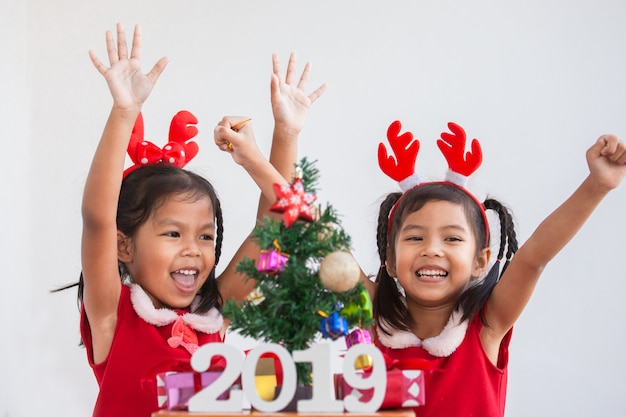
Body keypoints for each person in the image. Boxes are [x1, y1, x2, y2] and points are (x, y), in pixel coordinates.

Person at [230, 118, 625, 416]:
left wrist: (598, 184)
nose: (432, 250)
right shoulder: (373, 316)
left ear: (480, 262)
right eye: (415, 238)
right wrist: (253, 162)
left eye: (452, 239)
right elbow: (313, 224)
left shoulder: (487, 327)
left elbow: (535, 256)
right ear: (389, 259)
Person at [78, 22, 326, 417]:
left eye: (206, 236)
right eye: (173, 233)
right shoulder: (114, 314)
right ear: (124, 245)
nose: (193, 250)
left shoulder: (213, 314)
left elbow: (273, 231)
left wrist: (286, 133)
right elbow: (97, 220)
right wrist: (125, 111)